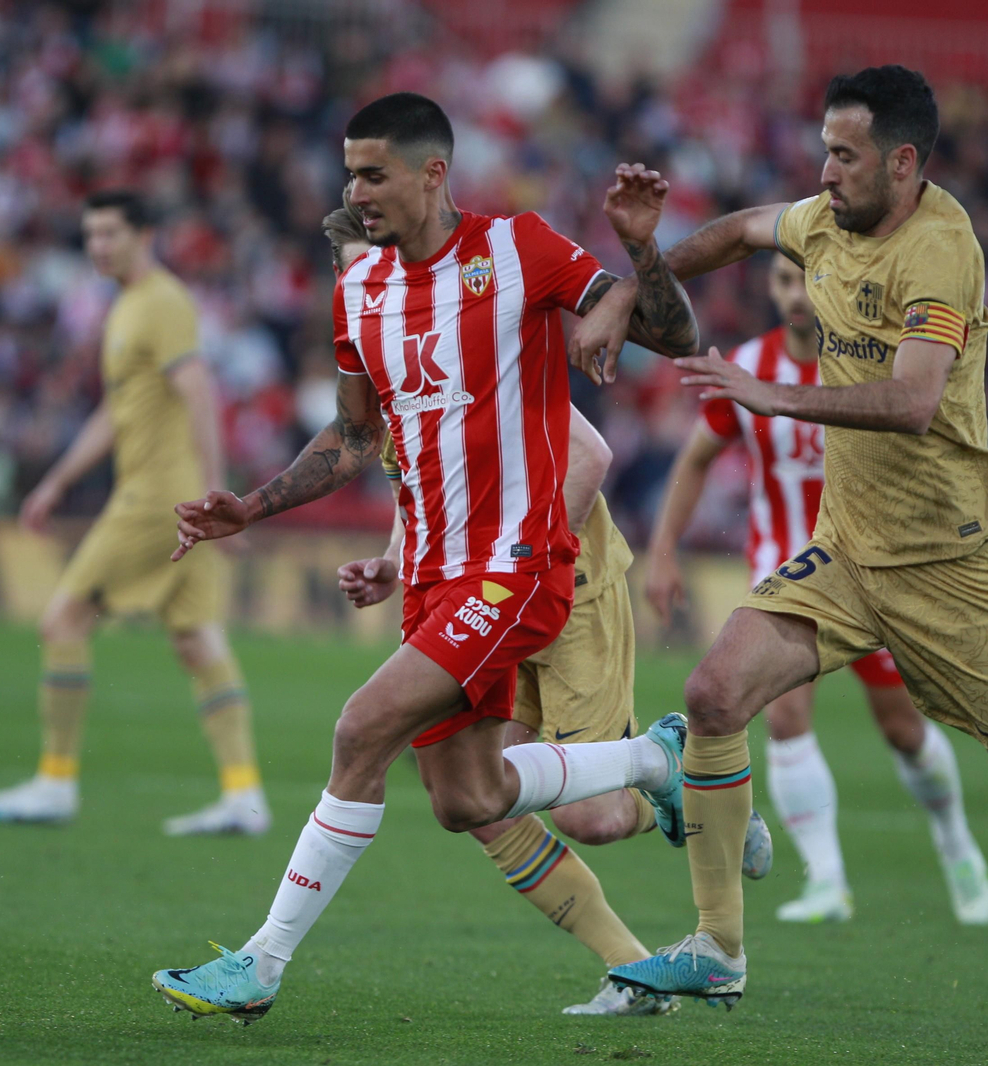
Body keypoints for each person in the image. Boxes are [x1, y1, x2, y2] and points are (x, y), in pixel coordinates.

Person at [574, 66, 988, 1036]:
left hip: (955, 568)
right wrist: (628, 280)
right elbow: (742, 229)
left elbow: (912, 401)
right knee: (710, 694)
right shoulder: (827, 219)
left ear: (902, 163)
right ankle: (717, 947)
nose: (823, 172)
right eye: (823, 149)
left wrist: (777, 395)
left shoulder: (942, 250)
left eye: (843, 154)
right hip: (849, 552)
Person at [151, 91, 701, 1025]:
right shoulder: (359, 290)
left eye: (373, 173)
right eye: (349, 173)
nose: (355, 191)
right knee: (466, 799)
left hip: (517, 563)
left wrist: (641, 252)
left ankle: (261, 963)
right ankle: (652, 759)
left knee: (361, 728)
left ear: (432, 172)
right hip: (436, 576)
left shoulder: (516, 250)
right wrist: (249, 505)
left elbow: (674, 336)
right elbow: (354, 436)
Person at [320, 201, 771, 1016]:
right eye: (363, 262)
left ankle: (685, 772)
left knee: (594, 819)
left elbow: (589, 454)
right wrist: (394, 561)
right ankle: (633, 971)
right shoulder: (390, 361)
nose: (381, 270)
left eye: (385, 251)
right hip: (475, 596)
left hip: (558, 589)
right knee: (479, 804)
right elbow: (430, 490)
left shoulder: (478, 346)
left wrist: (513, 564)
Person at [646, 251, 988, 925]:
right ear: (770, 291)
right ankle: (827, 881)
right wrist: (662, 553)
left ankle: (958, 846)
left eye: (805, 278)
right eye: (781, 280)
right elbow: (695, 458)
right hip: (787, 574)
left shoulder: (878, 364)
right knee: (782, 714)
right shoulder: (747, 366)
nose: (795, 294)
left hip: (875, 571)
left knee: (901, 728)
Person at [0, 190, 269, 837]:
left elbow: (198, 390)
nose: (98, 246)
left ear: (145, 234)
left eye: (110, 233)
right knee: (196, 640)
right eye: (90, 235)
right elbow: (117, 412)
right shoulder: (128, 307)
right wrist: (56, 481)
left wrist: (218, 488)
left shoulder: (161, 302)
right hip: (172, 497)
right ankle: (244, 798)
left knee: (64, 619)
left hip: (157, 499)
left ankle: (54, 781)